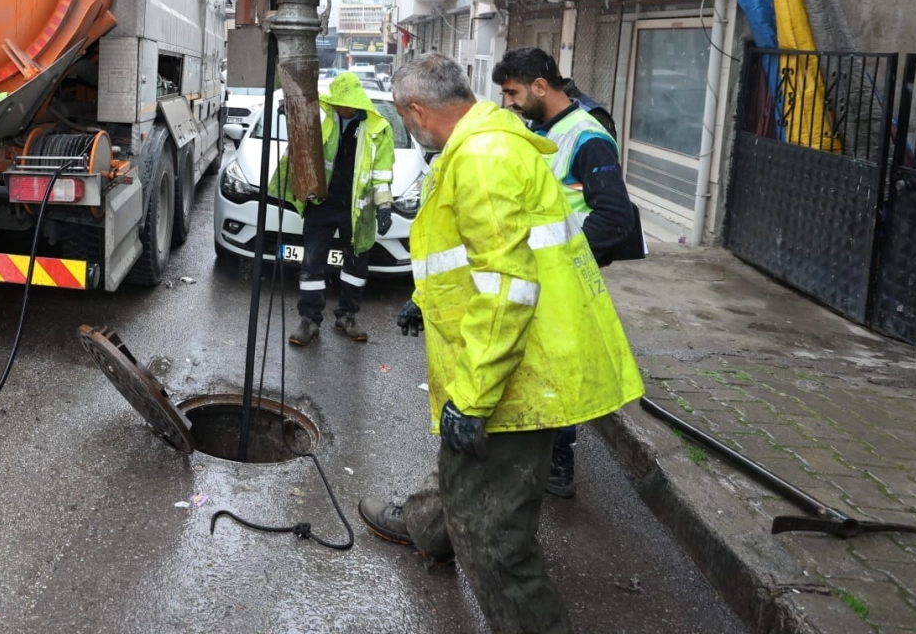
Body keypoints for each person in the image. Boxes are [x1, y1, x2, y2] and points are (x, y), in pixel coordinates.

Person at [356, 54, 643, 634]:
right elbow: (477, 255)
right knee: (464, 468)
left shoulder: (482, 158)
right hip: (519, 351)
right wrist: (424, 299)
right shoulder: (483, 141)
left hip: (519, 365)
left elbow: (508, 287)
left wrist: (473, 397)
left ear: (417, 110)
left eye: (404, 117)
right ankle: (428, 528)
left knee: (494, 539)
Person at [492, 47, 645, 499]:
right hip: (538, 275)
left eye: (513, 93)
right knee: (537, 368)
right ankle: (532, 456)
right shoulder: (539, 129)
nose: (508, 103)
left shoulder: (586, 136)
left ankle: (558, 466)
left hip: (563, 280)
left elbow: (614, 216)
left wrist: (564, 259)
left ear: (541, 86)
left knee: (556, 372)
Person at [268, 71, 395, 345]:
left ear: (357, 102)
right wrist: (291, 115)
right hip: (321, 205)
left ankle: (347, 316)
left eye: (345, 104)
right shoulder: (323, 118)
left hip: (357, 211)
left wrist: (384, 206)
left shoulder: (378, 129)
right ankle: (309, 320)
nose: (341, 108)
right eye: (337, 103)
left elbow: (381, 173)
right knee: (312, 263)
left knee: (356, 266)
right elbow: (301, 144)